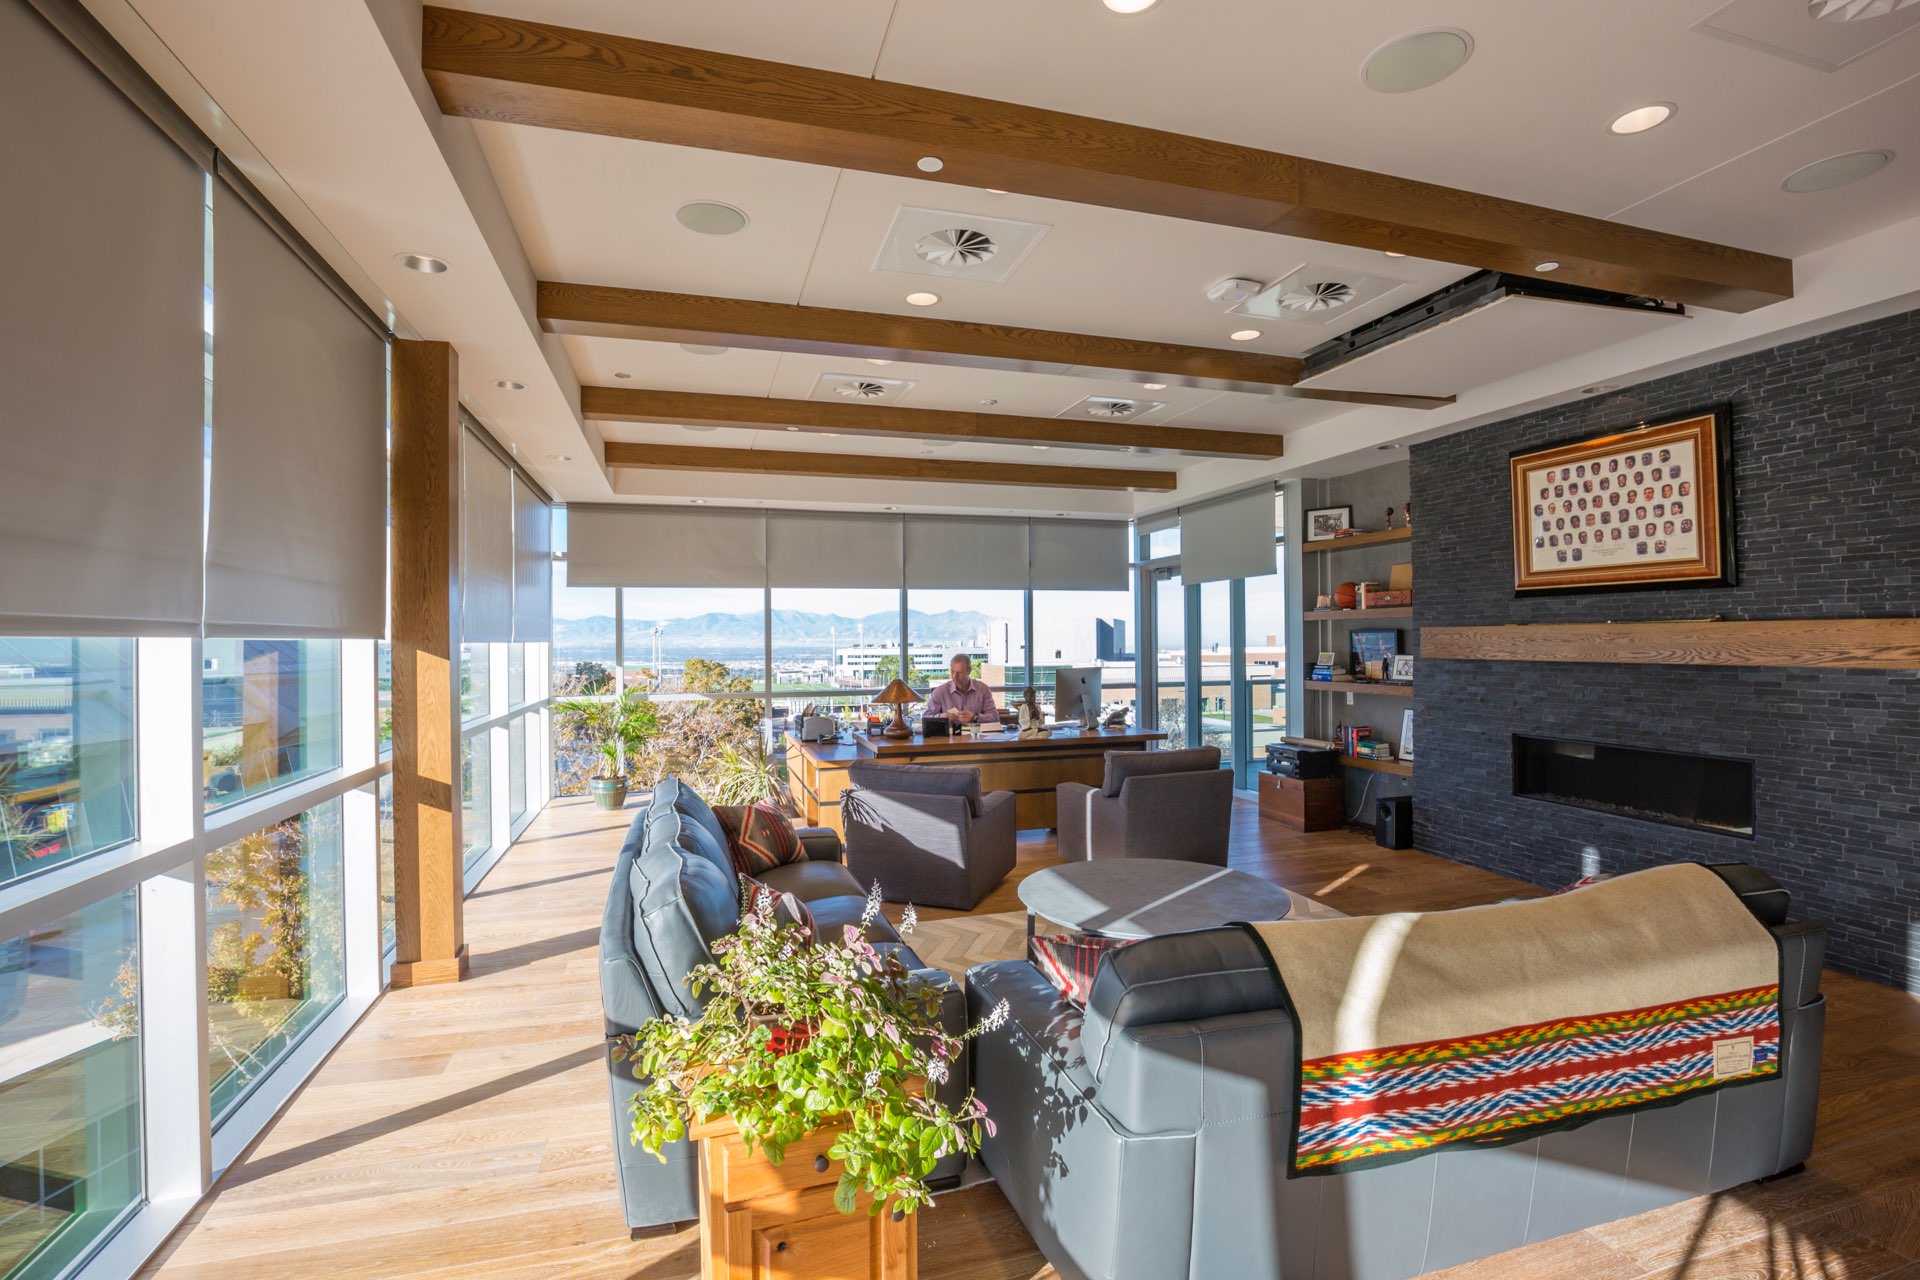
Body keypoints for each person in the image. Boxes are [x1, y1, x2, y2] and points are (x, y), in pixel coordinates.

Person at [924, 654, 998, 724]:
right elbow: (926, 718)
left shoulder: (983, 689)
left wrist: (974, 717)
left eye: (959, 673)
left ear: (969, 671)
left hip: (976, 735)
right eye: (952, 671)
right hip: (950, 736)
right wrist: (942, 717)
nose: (954, 676)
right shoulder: (940, 692)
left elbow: (994, 717)